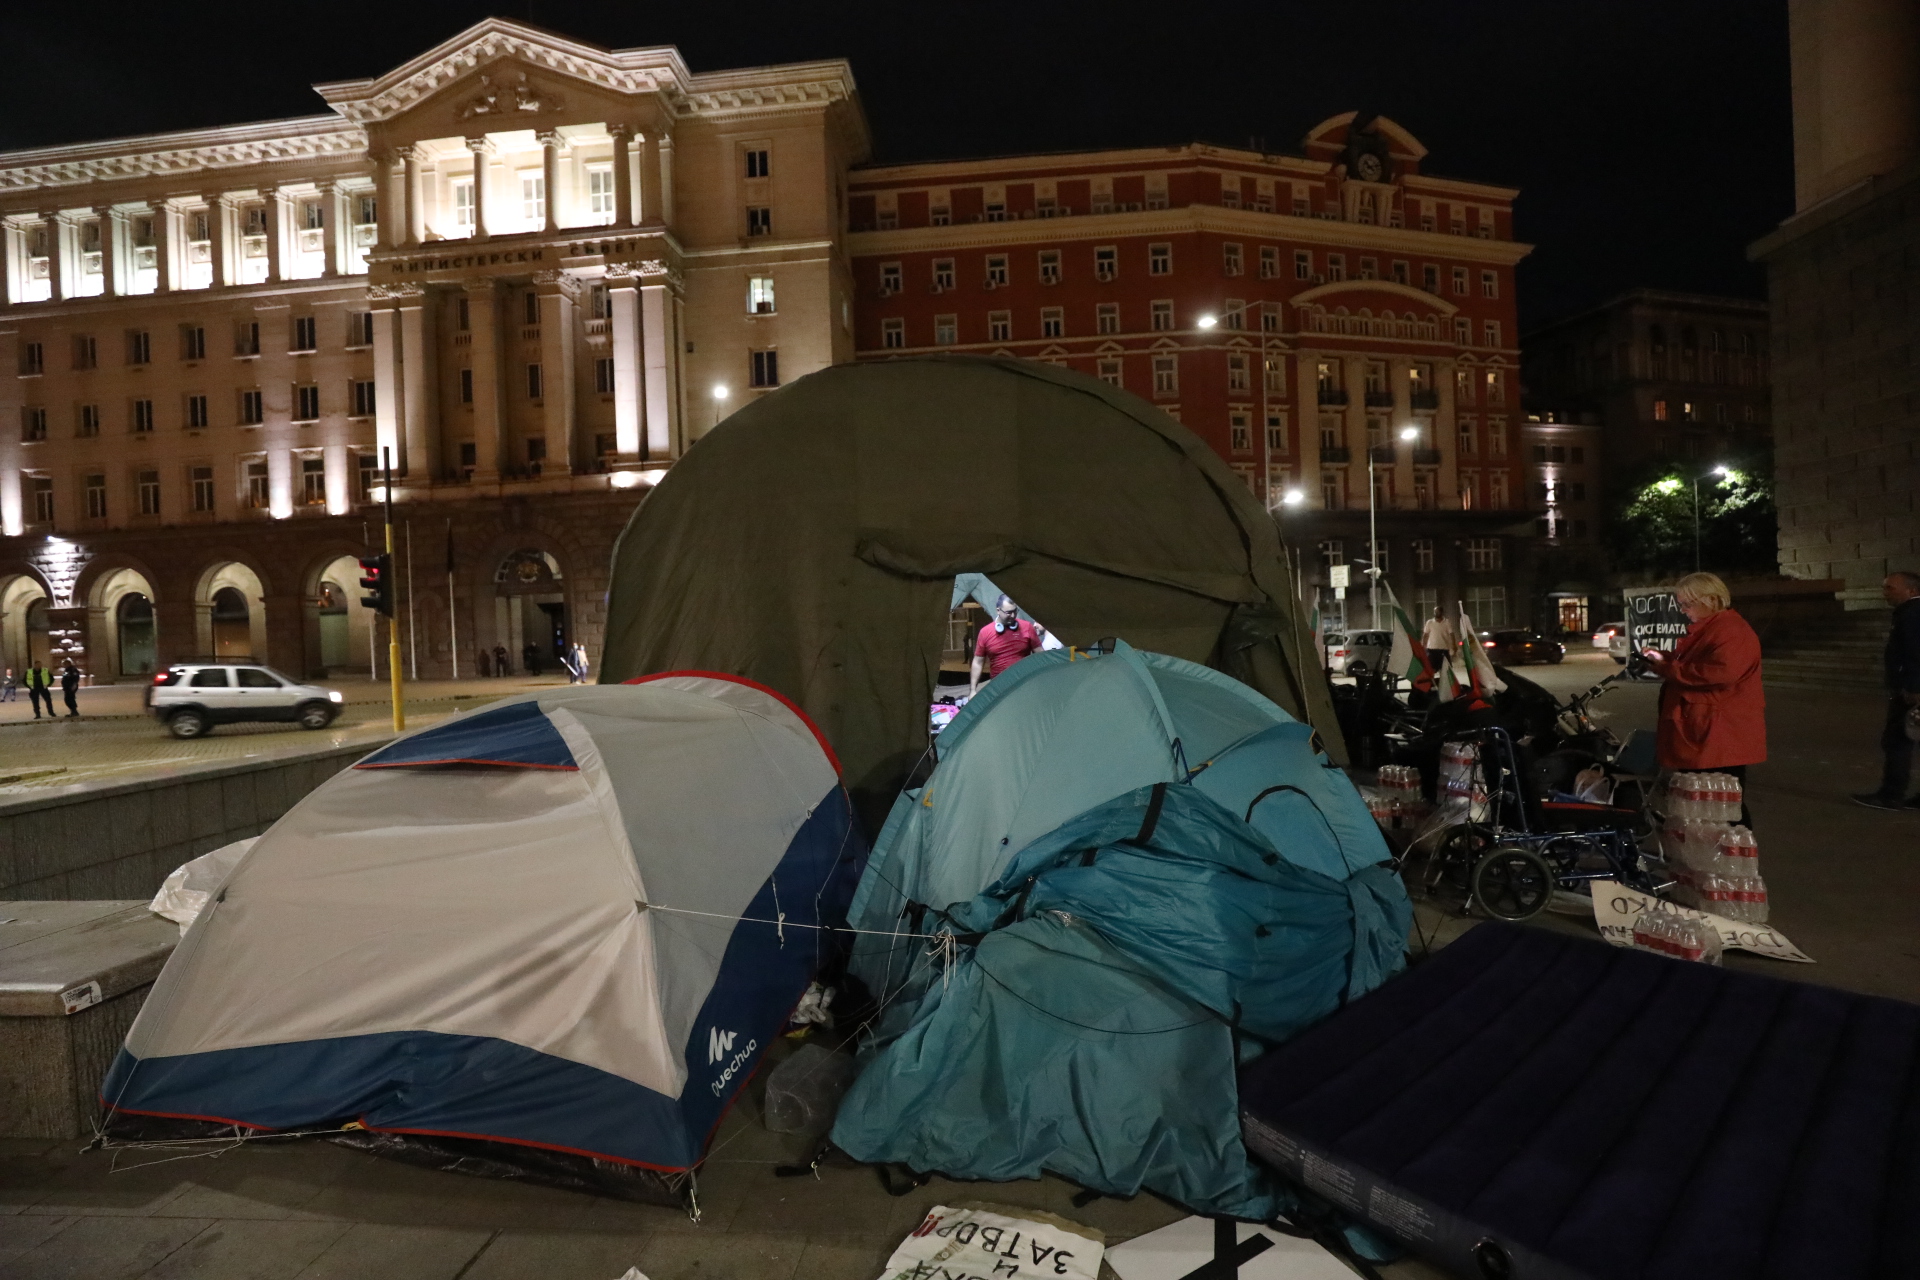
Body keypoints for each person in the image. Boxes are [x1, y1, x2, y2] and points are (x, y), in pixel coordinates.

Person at [1640, 572, 1765, 825]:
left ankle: (1732, 856)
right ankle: (1716, 855)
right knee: (1712, 802)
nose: (1683, 610)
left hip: (1718, 734)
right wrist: (1664, 658)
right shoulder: (1715, 627)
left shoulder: (1730, 630)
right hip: (1708, 731)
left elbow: (1719, 673)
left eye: (1688, 604)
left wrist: (1667, 667)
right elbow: (1699, 665)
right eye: (1681, 604)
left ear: (1710, 599)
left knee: (1724, 805)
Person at [1854, 570, 1920, 811]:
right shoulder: (1909, 613)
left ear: (1911, 591)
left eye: (1890, 588)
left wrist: (1913, 686)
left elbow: (1915, 652)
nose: (1885, 593)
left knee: (1897, 741)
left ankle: (1891, 795)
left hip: (1909, 690)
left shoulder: (1912, 614)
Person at [969, 595, 1043, 696]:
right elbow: (978, 662)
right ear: (998, 610)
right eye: (1008, 612)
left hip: (1024, 684)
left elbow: (1040, 655)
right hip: (998, 688)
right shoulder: (985, 632)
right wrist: (973, 690)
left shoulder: (1027, 627)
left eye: (1015, 611)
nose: (1013, 615)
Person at [1421, 606, 1456, 679]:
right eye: (1435, 611)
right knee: (1430, 669)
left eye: (1437, 611)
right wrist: (1423, 645)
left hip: (1444, 649)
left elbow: (1451, 634)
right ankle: (1431, 685)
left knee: (1446, 670)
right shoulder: (1429, 622)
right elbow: (1425, 634)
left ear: (1442, 612)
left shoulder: (1446, 622)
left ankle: (1446, 686)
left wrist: (1454, 645)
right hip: (1432, 650)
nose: (1436, 613)